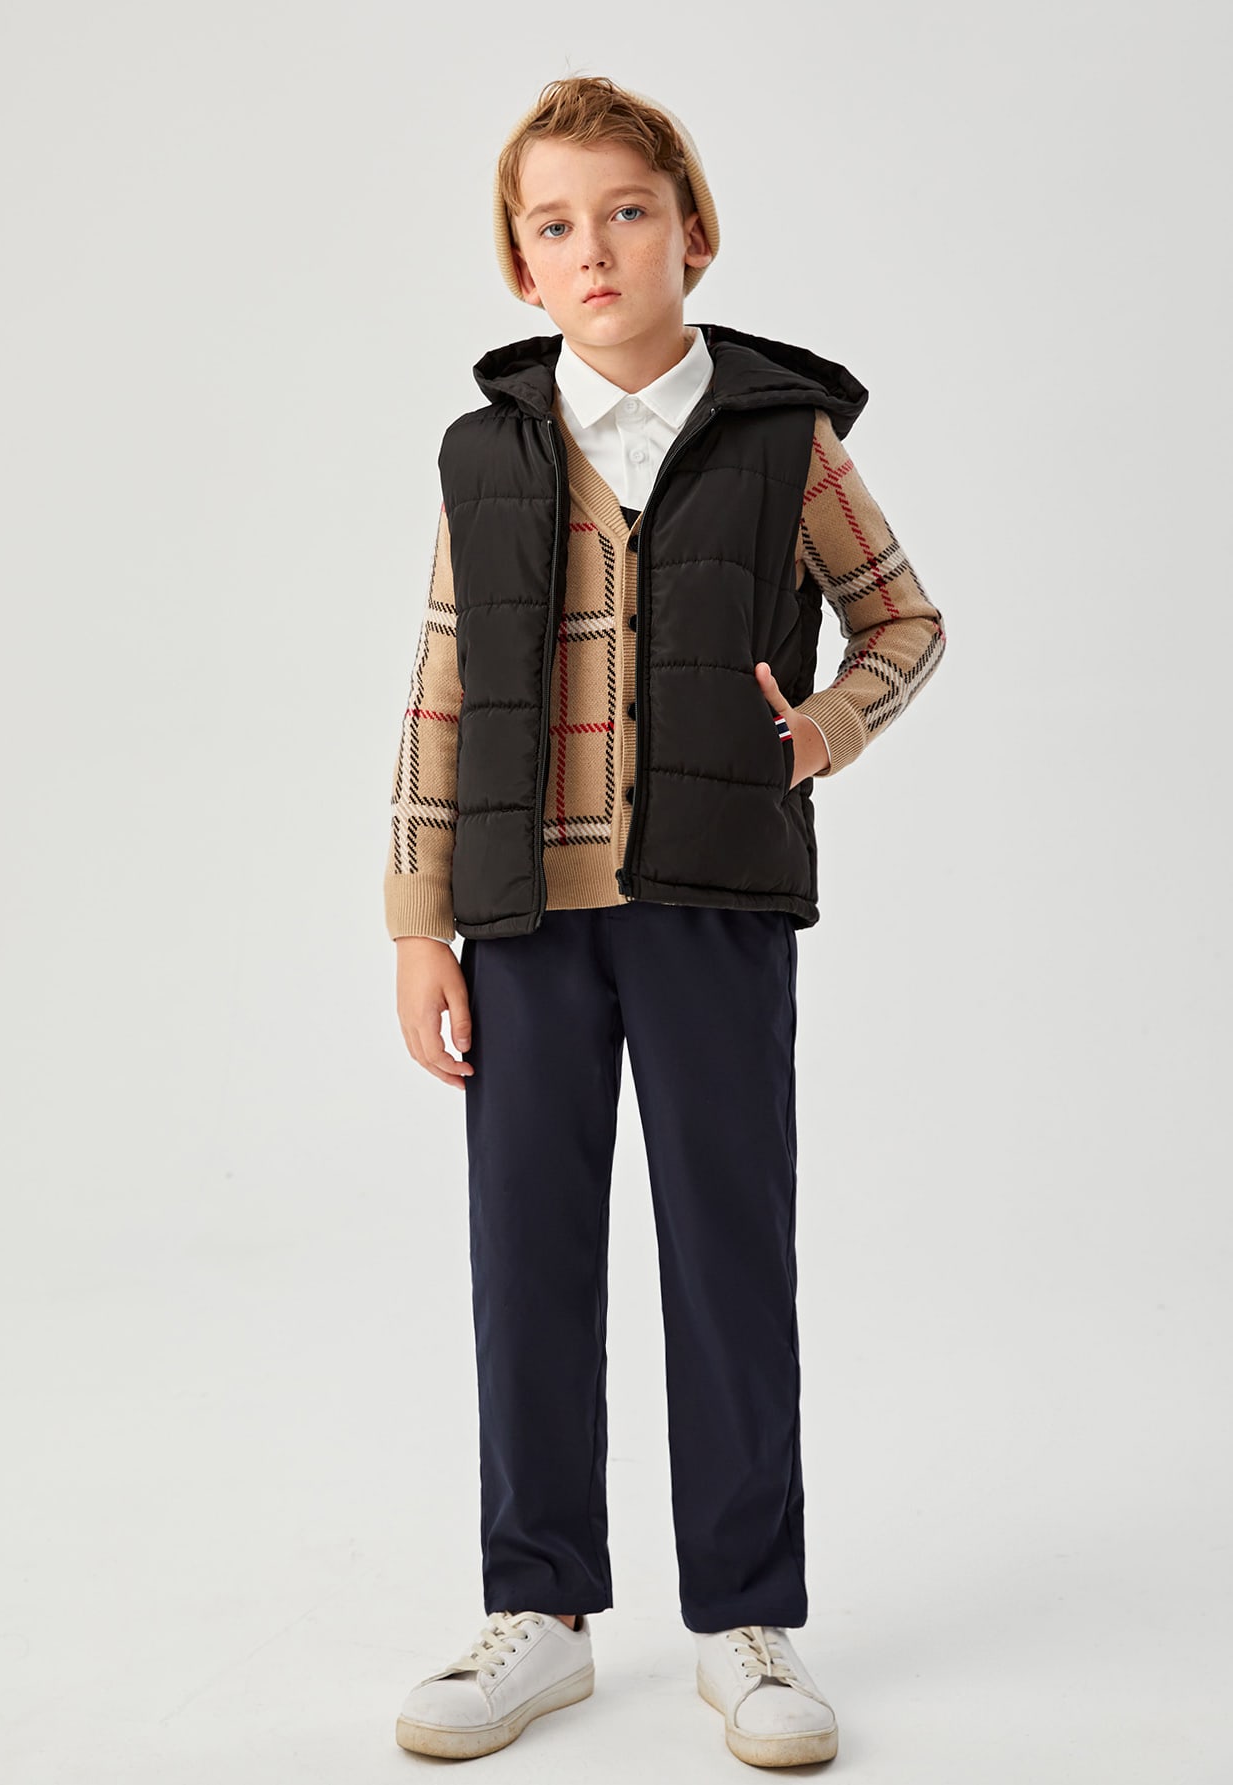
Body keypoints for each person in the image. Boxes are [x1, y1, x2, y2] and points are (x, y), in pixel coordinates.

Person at [382, 74, 947, 1768]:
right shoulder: (485, 456)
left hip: (715, 905)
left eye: (627, 212)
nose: (595, 249)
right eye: (555, 225)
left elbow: (904, 619)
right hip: (521, 918)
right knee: (527, 1261)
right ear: (521, 264)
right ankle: (538, 1611)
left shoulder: (784, 438)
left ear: (691, 231)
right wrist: (416, 924)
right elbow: (439, 689)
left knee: (728, 1259)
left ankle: (747, 1622)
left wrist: (828, 730)